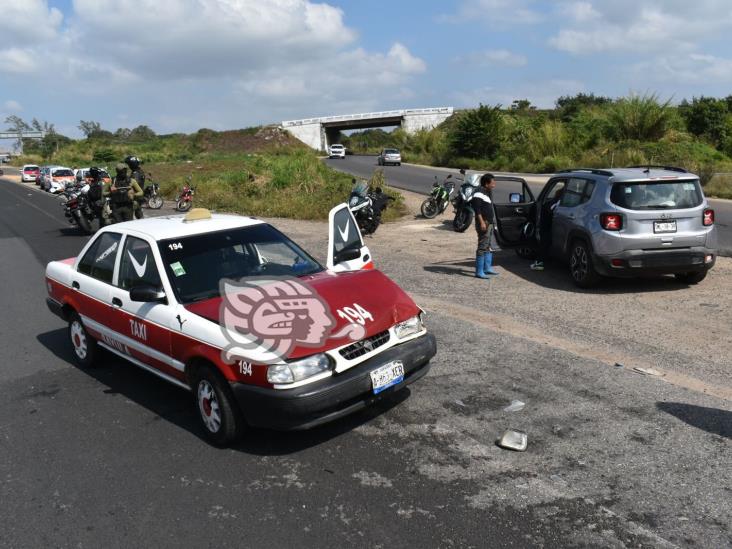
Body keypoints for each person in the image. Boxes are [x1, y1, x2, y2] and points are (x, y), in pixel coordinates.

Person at [531, 185, 565, 271]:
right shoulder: (561, 202)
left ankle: (539, 262)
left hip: (547, 226)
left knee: (544, 243)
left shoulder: (552, 202)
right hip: (555, 226)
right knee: (546, 243)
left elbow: (550, 210)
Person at [471, 173, 498, 278]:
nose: (494, 183)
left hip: (489, 223)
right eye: (492, 182)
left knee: (488, 245)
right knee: (482, 246)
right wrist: (482, 222)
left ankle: (487, 268)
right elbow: (477, 210)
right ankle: (479, 271)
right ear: (486, 184)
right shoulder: (478, 193)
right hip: (484, 223)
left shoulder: (488, 192)